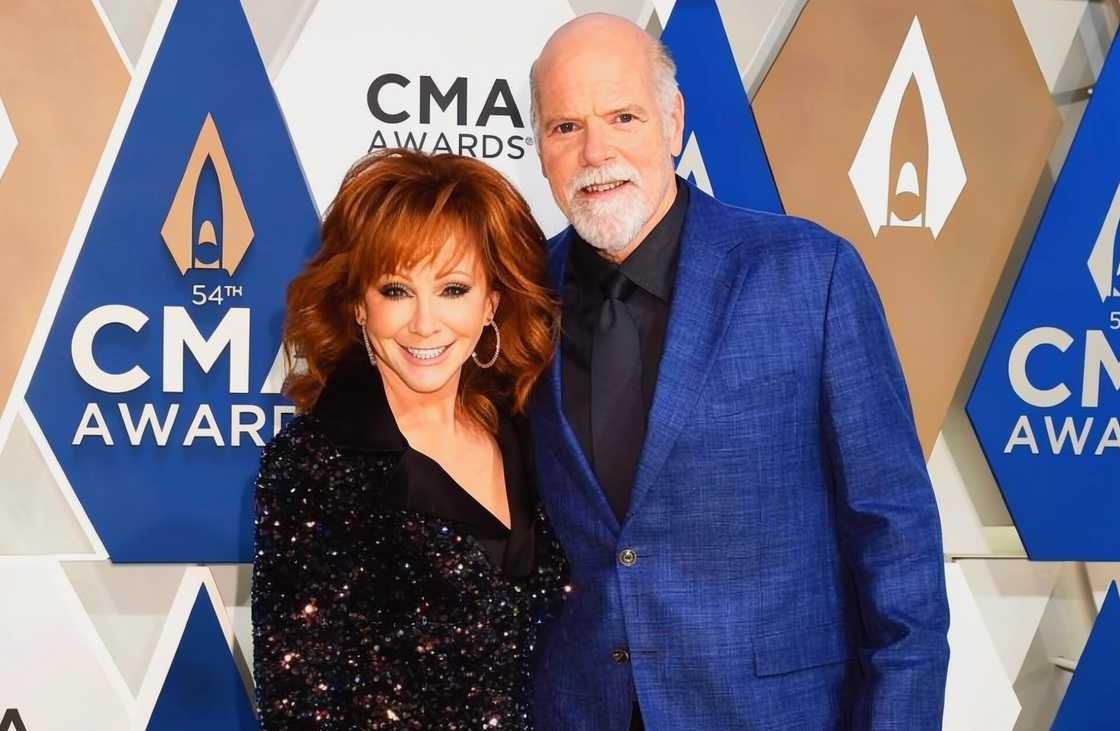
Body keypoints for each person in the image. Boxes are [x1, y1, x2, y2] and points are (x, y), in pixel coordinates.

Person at [526, 13, 950, 730]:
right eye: (566, 127)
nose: (596, 151)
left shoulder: (808, 274)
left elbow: (895, 535)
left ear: (672, 120)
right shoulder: (519, 294)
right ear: (540, 148)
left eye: (623, 117)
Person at [251, 149, 569, 729]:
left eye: (453, 289)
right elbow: (296, 704)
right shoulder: (315, 463)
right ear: (359, 305)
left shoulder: (528, 432)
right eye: (396, 290)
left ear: (491, 302)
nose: (425, 323)